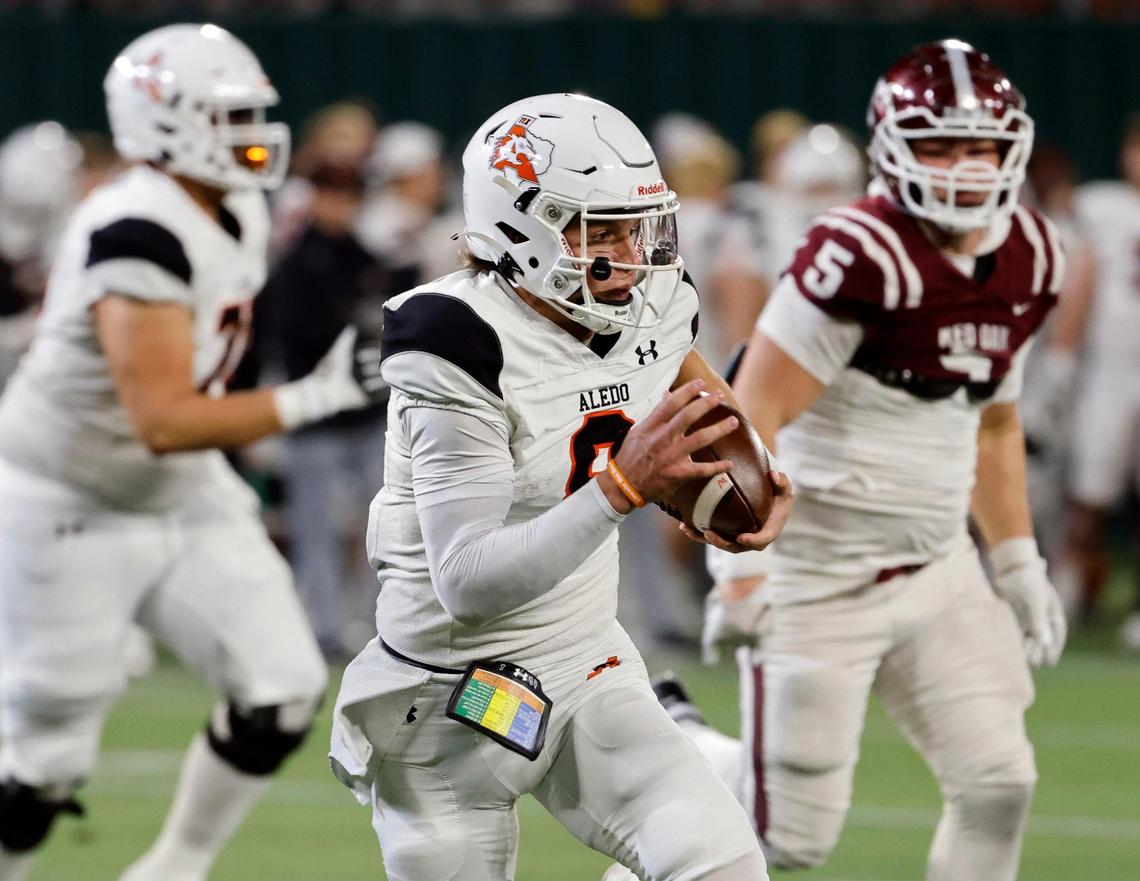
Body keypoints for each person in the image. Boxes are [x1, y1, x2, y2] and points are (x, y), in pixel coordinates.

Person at [328, 92, 792, 881]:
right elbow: (468, 581)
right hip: (448, 702)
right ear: (521, 224)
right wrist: (621, 486)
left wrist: (747, 484)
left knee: (722, 868)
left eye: (637, 223)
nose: (632, 249)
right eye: (600, 227)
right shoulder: (458, 339)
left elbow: (705, 414)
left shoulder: (650, 304)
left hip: (583, 664)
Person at [663, 40, 1068, 881]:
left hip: (938, 568)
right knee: (785, 838)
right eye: (941, 144)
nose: (965, 167)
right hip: (821, 574)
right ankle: (686, 759)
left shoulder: (1031, 253)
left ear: (1014, 146)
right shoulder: (860, 254)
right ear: (892, 148)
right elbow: (749, 412)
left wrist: (1018, 559)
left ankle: (700, 747)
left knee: (1000, 782)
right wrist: (736, 573)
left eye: (982, 144)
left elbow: (993, 420)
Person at [0, 24, 384, 881]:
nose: (254, 130)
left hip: (180, 488)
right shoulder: (136, 230)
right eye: (231, 114)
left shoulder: (235, 204)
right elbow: (164, 418)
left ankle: (172, 868)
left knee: (280, 690)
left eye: (254, 112)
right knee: (44, 760)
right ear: (163, 122)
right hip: (71, 495)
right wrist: (315, 395)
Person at [1054, 116, 1140, 648]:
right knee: (1087, 493)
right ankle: (1061, 593)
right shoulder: (1102, 206)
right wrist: (1063, 355)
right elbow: (1081, 279)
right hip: (1109, 370)